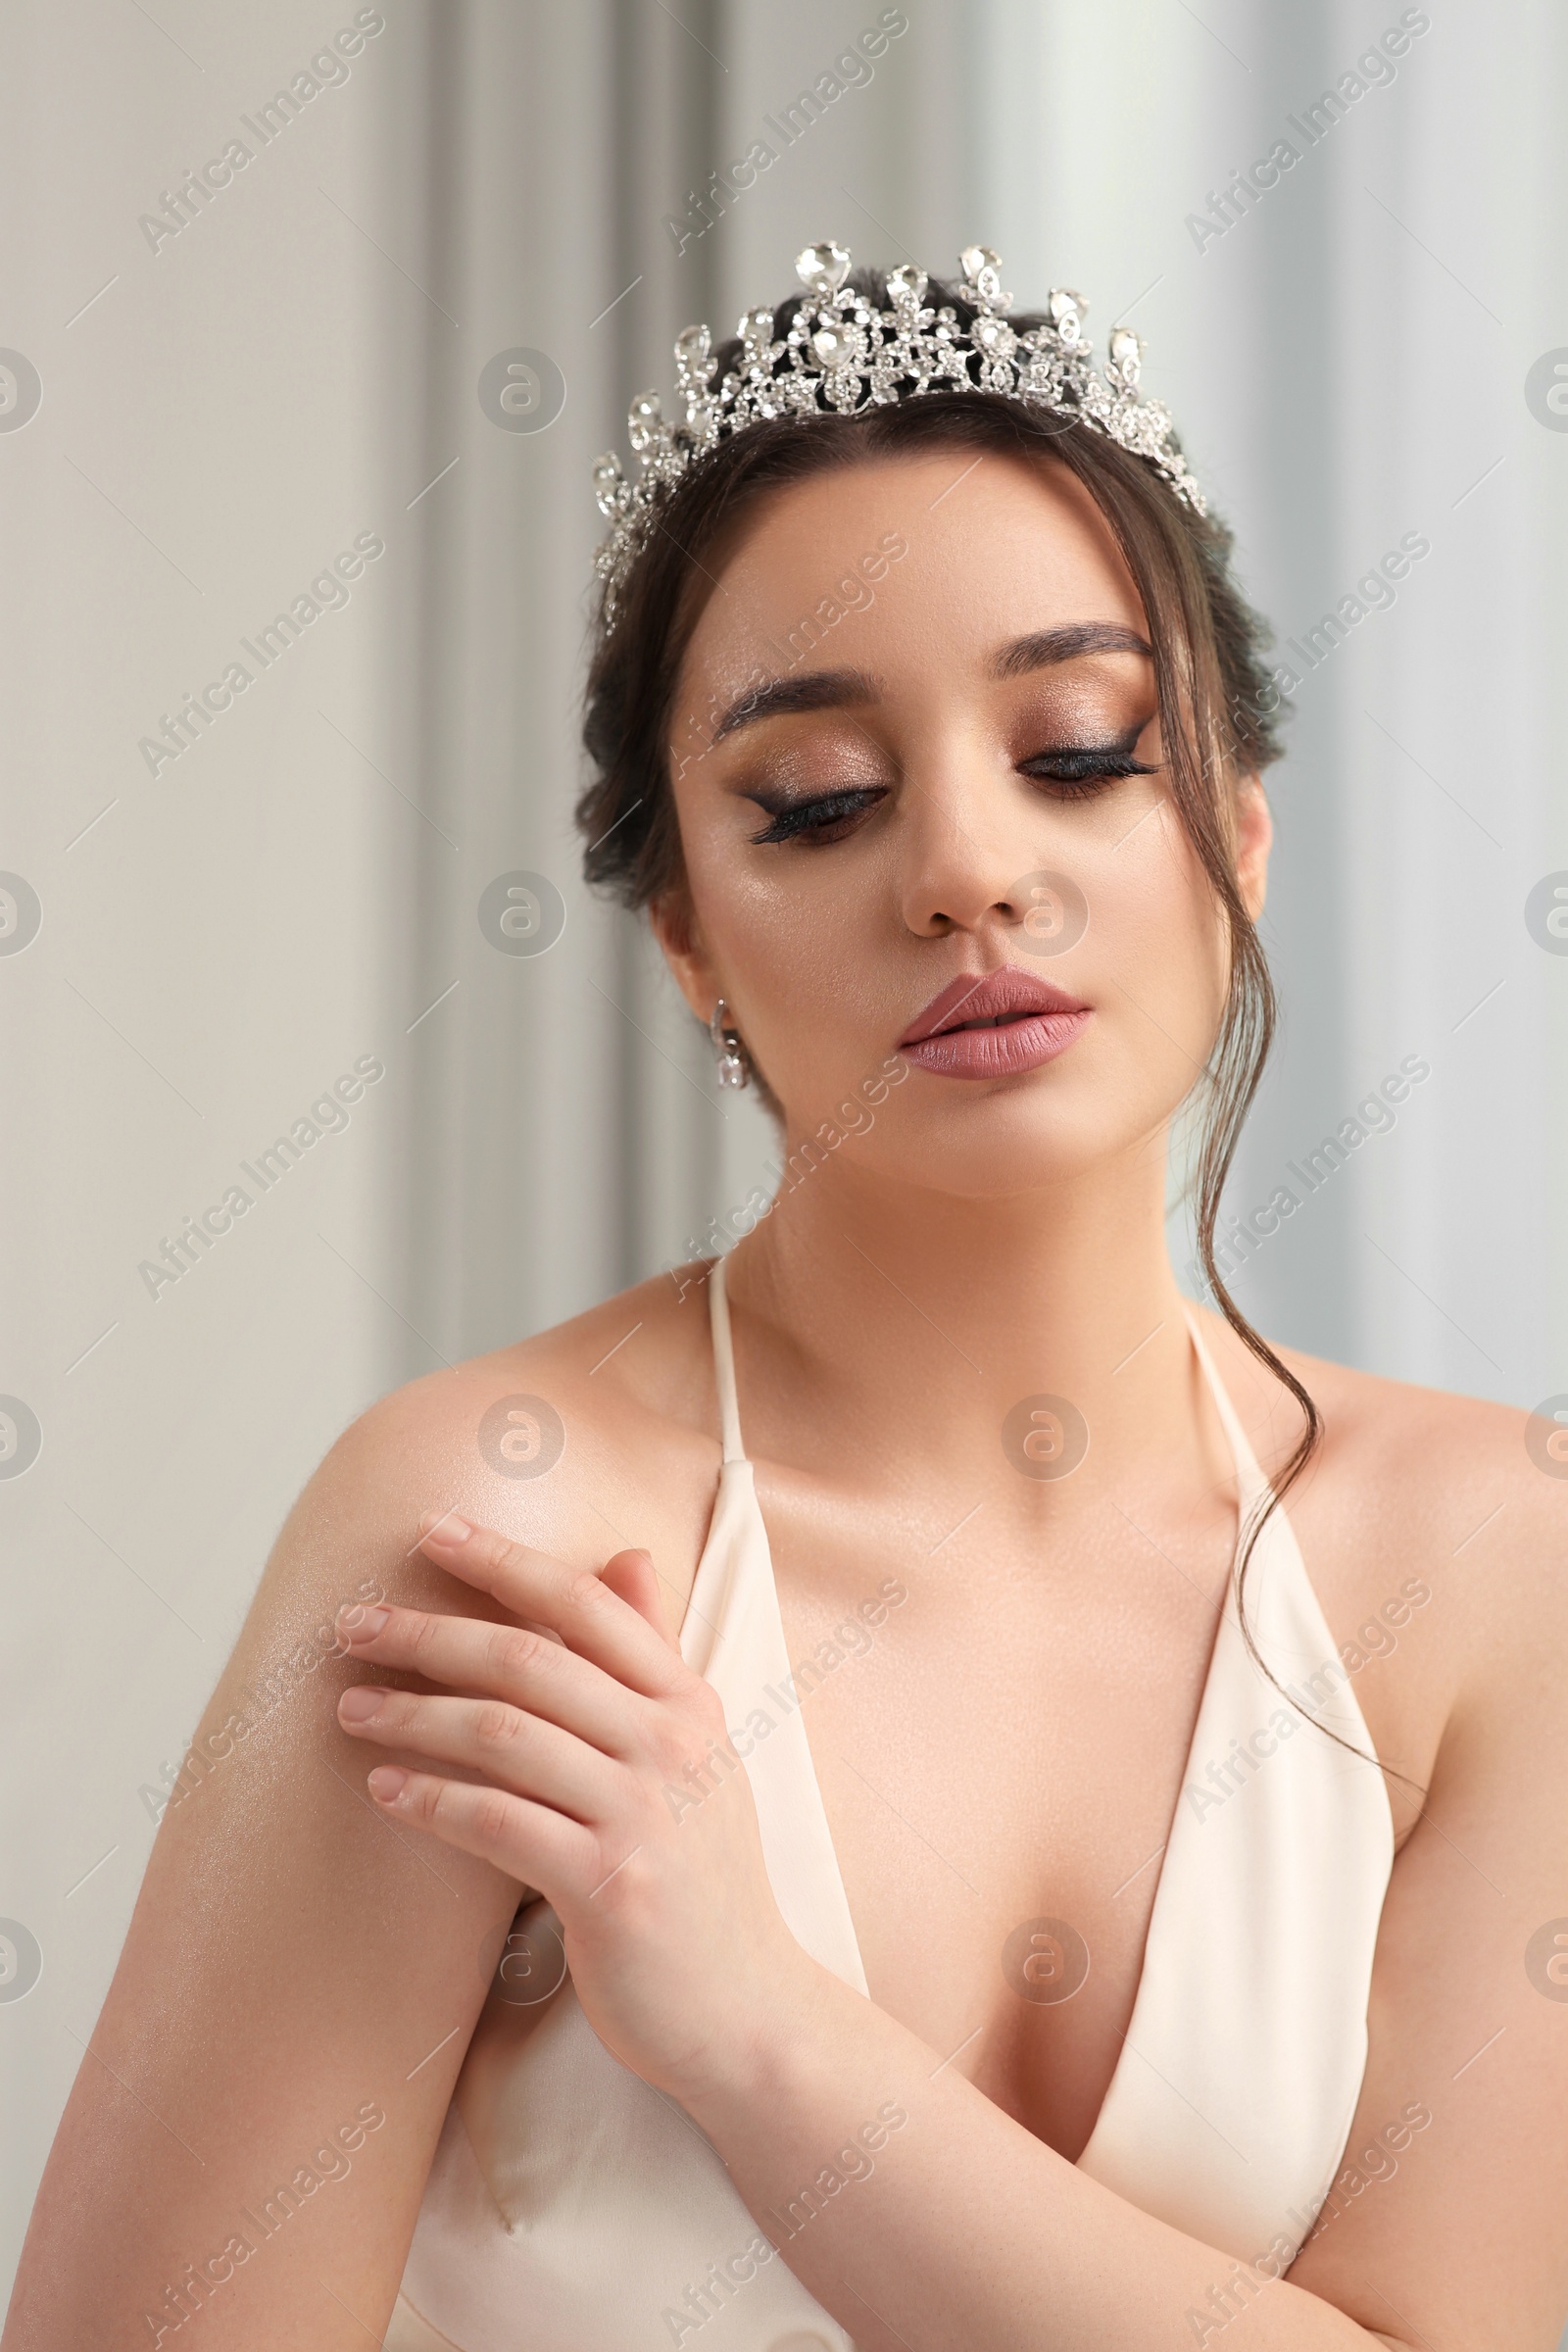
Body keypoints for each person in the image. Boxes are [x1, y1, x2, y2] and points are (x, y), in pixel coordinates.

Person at [7, 243, 1565, 2352]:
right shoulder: (500, 1541)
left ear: (1240, 829)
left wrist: (749, 2025)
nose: (961, 870)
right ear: (686, 941)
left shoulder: (1490, 1566)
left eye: (1081, 753)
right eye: (818, 801)